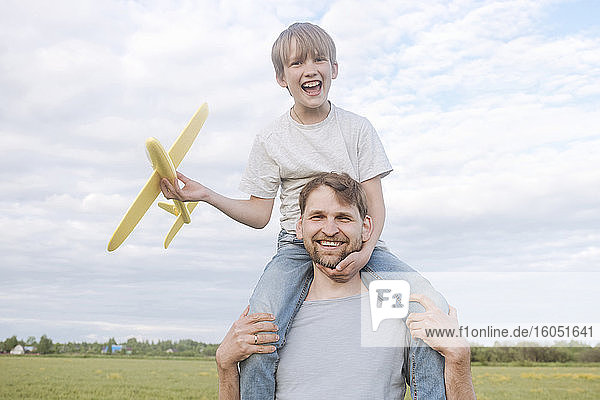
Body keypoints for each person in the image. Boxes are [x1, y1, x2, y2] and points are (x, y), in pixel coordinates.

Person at [161, 22, 448, 399]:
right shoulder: (270, 138)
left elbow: (375, 205)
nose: (309, 69)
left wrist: (364, 251)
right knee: (259, 334)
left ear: (334, 69)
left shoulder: (358, 129)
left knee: (433, 309)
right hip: (296, 247)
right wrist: (206, 195)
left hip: (360, 241)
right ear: (282, 78)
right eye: (297, 63)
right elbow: (259, 213)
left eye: (319, 59)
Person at [215, 172, 476, 399]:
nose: (329, 229)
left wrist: (459, 358)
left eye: (343, 218)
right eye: (317, 217)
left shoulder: (398, 307)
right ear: (299, 227)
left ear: (366, 228)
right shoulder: (271, 314)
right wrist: (225, 365)